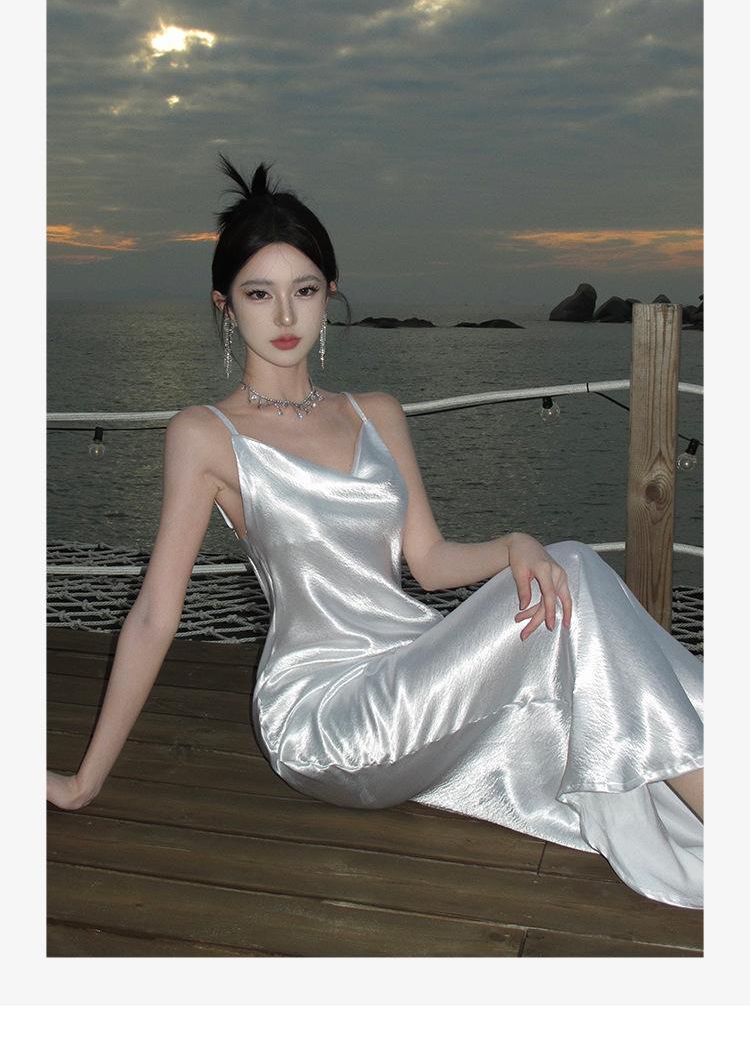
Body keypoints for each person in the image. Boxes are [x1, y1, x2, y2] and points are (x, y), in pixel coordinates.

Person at [47, 157, 704, 909]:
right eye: (260, 293)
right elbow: (155, 615)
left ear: (329, 293)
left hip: (413, 666)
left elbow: (429, 561)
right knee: (579, 575)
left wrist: (515, 545)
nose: (285, 317)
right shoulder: (204, 435)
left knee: (567, 567)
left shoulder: (376, 413)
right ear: (225, 305)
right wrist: (84, 780)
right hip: (324, 715)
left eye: (304, 291)